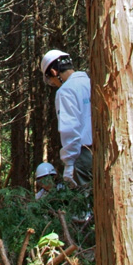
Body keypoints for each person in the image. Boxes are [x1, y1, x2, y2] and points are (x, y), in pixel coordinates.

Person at [41, 50, 92, 189]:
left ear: (54, 72)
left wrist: (69, 164)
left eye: (52, 81)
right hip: (104, 152)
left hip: (83, 156)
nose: (55, 84)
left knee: (86, 205)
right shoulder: (91, 82)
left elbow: (69, 129)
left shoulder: (65, 92)